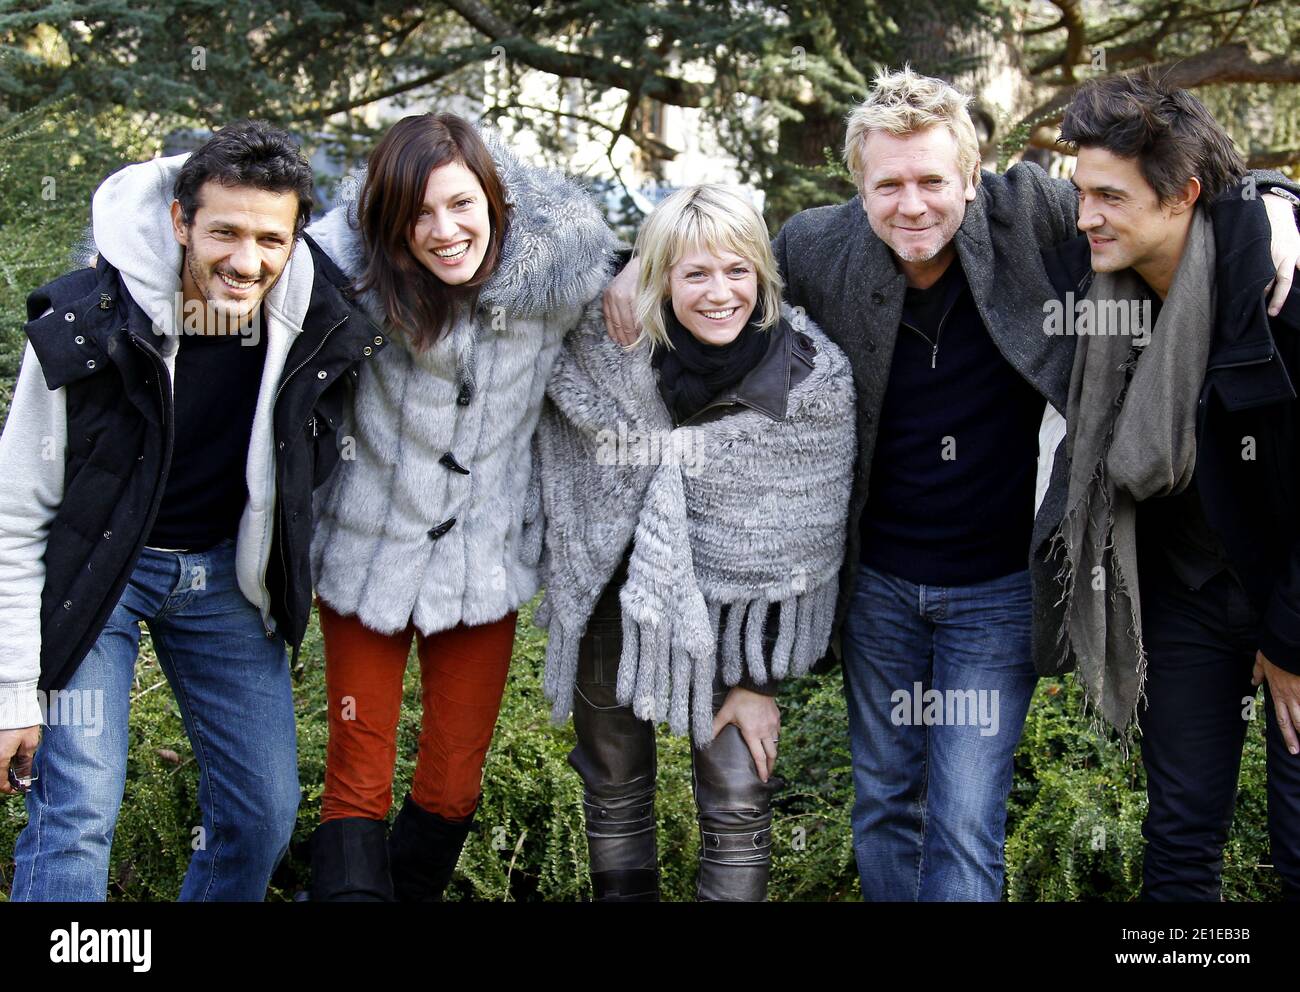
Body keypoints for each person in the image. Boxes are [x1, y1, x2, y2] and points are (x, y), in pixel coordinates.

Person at [603, 66, 1300, 901]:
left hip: (997, 588)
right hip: (880, 591)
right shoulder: (818, 253)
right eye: (888, 184)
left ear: (972, 179)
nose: (913, 205)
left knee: (967, 818)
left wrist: (1273, 198)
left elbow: (1173, 194)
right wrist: (628, 269)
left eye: (933, 180)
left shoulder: (1034, 219)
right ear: (858, 188)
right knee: (885, 806)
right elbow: (722, 297)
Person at [0, 120, 385, 900]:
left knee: (264, 814)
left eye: (271, 239)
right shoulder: (85, 326)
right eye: (225, 232)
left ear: (296, 236)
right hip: (98, 576)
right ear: (181, 221)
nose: (248, 262)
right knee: (78, 814)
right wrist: (11, 692)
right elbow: (13, 517)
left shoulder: (319, 323)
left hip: (223, 576)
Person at [303, 112, 620, 901]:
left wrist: (632, 289)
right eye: (417, 214)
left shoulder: (559, 285)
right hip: (364, 556)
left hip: (484, 565)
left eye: (460, 205)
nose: (443, 231)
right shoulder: (347, 287)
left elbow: (650, 316)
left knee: (451, 782)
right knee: (358, 774)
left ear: (493, 198)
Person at [534, 183, 855, 900]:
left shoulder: (810, 381)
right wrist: (621, 263)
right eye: (695, 273)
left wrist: (756, 683)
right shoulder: (610, 348)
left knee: (738, 802)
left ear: (763, 275)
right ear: (660, 277)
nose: (719, 292)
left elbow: (799, 547)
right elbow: (528, 231)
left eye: (737, 270)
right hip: (618, 599)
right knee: (614, 790)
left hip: (737, 630)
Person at [1042, 70, 1300, 901]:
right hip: (1186, 593)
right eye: (1082, 194)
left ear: (1184, 193)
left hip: (1292, 593)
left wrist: (1291, 644)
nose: (1086, 218)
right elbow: (960, 208)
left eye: (1110, 198)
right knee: (1180, 840)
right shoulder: (1102, 288)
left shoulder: (1279, 288)